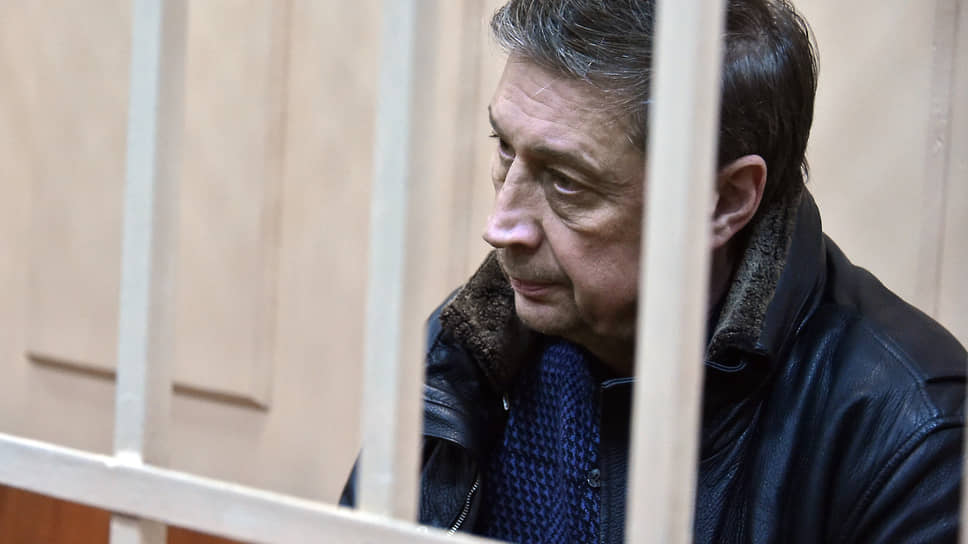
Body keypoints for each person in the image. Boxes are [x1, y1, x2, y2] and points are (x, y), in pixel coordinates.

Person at [342, 0, 967, 542]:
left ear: (722, 201)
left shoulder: (911, 429)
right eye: (506, 149)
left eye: (567, 182)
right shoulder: (470, 347)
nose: (501, 226)